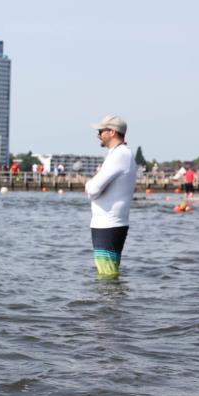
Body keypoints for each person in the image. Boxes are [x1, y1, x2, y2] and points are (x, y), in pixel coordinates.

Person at [85, 115, 136, 278]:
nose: (98, 134)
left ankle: (111, 303)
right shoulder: (119, 154)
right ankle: (113, 303)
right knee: (107, 274)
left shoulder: (119, 155)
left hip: (109, 224)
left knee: (107, 276)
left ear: (112, 132)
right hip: (108, 223)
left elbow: (93, 188)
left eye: (101, 131)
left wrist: (88, 184)